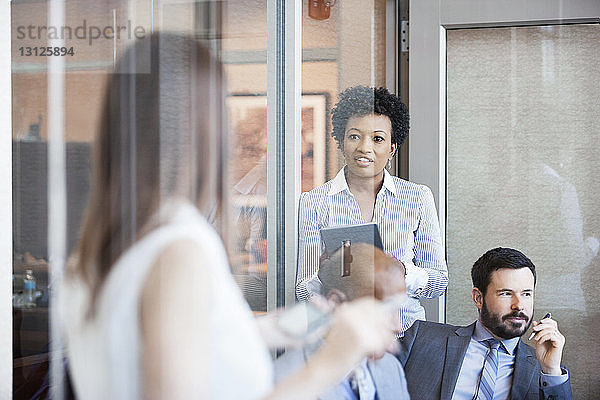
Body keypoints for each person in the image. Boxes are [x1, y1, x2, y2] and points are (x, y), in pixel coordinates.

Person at [59, 33, 397, 400]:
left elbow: (181, 343)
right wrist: (332, 361)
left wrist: (287, 326)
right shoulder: (178, 249)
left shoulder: (100, 250)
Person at [296, 85, 448, 332]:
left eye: (377, 138)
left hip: (405, 335)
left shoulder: (417, 198)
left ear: (391, 149)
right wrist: (324, 276)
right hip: (343, 336)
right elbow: (303, 290)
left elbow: (439, 282)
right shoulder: (314, 202)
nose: (364, 147)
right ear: (341, 141)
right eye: (354, 136)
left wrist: (402, 273)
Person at [396, 247, 572, 400]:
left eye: (526, 294)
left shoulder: (545, 371)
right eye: (506, 293)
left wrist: (551, 370)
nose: (519, 305)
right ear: (478, 298)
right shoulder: (421, 338)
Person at [276, 244, 410, 399]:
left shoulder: (391, 368)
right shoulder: (285, 380)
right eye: (386, 309)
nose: (398, 326)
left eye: (398, 309)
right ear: (336, 303)